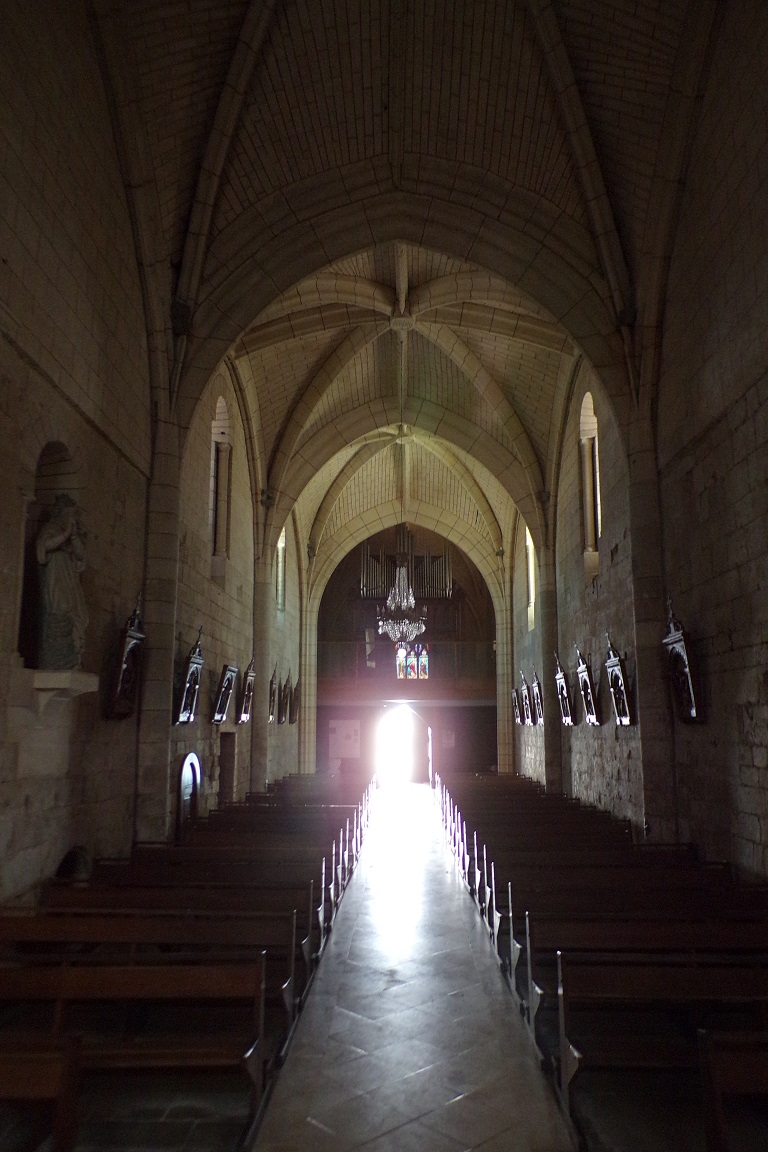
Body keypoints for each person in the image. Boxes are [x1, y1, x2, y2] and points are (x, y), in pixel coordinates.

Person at [36, 494, 88, 670]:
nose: (71, 518)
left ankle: (74, 657)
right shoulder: (50, 528)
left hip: (70, 579)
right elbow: (43, 548)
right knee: (61, 611)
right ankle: (58, 661)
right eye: (69, 513)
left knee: (78, 615)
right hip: (56, 578)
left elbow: (81, 556)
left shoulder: (73, 535)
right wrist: (65, 535)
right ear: (61, 512)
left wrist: (73, 537)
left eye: (73, 514)